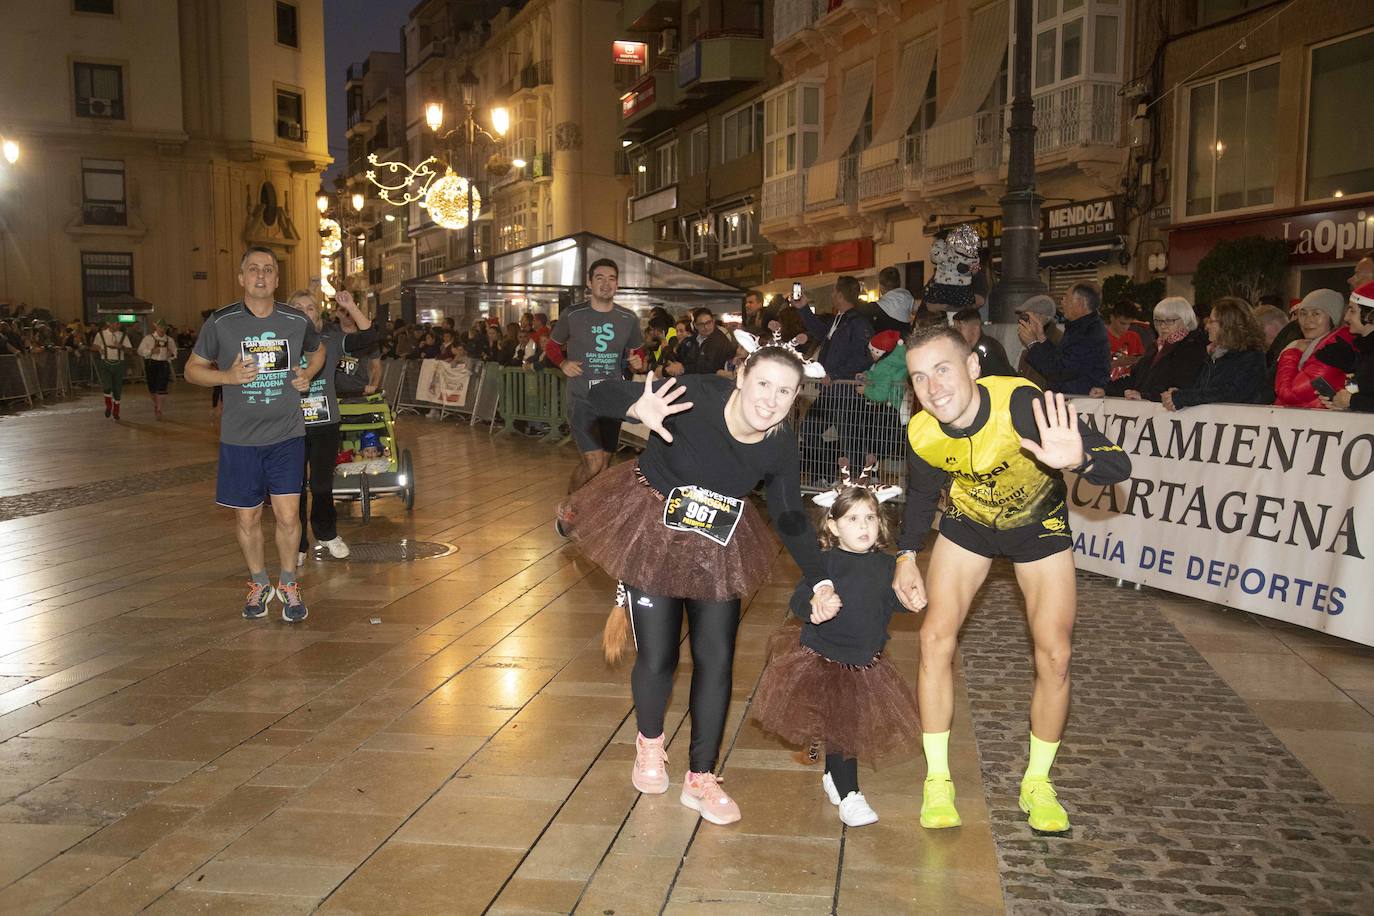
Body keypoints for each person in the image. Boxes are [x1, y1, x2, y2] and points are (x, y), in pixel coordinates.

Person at [562, 335, 834, 827]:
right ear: (742, 377)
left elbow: (790, 514)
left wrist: (819, 578)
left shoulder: (780, 443)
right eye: (764, 384)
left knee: (716, 657)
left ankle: (701, 777)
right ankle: (649, 744)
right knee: (659, 654)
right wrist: (635, 407)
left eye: (785, 392)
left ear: (798, 399)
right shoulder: (695, 394)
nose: (770, 400)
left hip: (717, 538)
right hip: (651, 522)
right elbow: (596, 397)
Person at [892, 324, 1131, 833]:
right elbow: (920, 495)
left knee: (1056, 655)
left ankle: (1038, 782)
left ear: (973, 367)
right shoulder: (923, 431)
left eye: (943, 369)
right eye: (919, 378)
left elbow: (1118, 463)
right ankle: (938, 779)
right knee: (934, 640)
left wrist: (1081, 459)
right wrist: (906, 554)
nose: (933, 388)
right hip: (968, 526)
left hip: (1037, 529)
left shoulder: (1022, 404)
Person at [751, 467, 920, 828]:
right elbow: (799, 601)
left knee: (844, 728)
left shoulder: (886, 565)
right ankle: (850, 794)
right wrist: (813, 607)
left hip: (865, 664)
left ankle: (833, 778)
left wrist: (912, 600)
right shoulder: (824, 564)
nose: (864, 526)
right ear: (833, 526)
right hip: (824, 661)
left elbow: (891, 603)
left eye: (871, 517)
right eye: (853, 518)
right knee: (843, 731)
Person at [183, 247, 324, 622]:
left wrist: (307, 375)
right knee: (246, 519)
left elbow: (319, 349)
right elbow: (192, 370)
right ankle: (260, 582)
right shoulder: (221, 322)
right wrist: (226, 377)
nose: (261, 276)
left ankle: (289, 583)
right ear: (241, 278)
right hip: (240, 439)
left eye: (268, 270)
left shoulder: (295, 320)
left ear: (277, 279)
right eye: (253, 270)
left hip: (287, 434)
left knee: (289, 515)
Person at [547, 258, 645, 535]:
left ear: (617, 283)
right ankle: (568, 509)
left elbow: (637, 354)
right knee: (593, 461)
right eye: (599, 278)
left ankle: (591, 513)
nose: (606, 283)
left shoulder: (628, 318)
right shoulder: (573, 315)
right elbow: (552, 346)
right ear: (589, 283)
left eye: (611, 278)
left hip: (612, 400)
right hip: (582, 399)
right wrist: (563, 363)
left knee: (605, 465)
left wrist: (639, 362)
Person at [292, 288, 378, 565]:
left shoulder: (330, 337)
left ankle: (327, 534)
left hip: (325, 421)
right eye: (298, 307)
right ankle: (298, 544)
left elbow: (369, 337)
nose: (305, 312)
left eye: (310, 308)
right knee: (292, 486)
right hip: (290, 422)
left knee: (320, 483)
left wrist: (351, 306)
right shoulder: (281, 340)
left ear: (318, 313)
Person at [794, 277, 875, 480]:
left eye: (833, 292)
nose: (831, 295)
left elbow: (864, 356)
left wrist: (836, 374)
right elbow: (822, 333)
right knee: (812, 429)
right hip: (832, 390)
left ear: (839, 294)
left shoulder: (856, 323)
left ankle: (856, 481)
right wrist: (804, 308)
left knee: (850, 438)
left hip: (845, 391)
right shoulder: (841, 320)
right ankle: (829, 476)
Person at [1162, 299, 1268, 410]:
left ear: (1227, 325)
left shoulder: (1252, 358)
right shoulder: (1215, 356)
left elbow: (1229, 393)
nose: (1206, 326)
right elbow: (1202, 391)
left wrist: (1184, 397)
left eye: (1211, 321)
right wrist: (1180, 394)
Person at [1103, 297, 1208, 401]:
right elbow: (1135, 379)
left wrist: (1145, 396)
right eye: (1158, 321)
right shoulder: (1156, 347)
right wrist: (1105, 389)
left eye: (1170, 321)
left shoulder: (1193, 348)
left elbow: (1181, 387)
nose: (1162, 326)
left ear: (1186, 320)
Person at [1019, 282, 1111, 395]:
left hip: (1081, 402)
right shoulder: (1080, 326)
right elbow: (1060, 358)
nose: (1062, 302)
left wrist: (1033, 343)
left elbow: (1060, 371)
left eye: (1066, 297)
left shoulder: (1090, 333)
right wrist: (1041, 337)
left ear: (1080, 303)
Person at [1274, 289, 1347, 409]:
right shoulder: (1304, 346)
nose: (1308, 320)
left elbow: (1290, 395)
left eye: (1316, 313)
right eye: (1303, 313)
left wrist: (1291, 354)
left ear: (1333, 319)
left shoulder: (1333, 353)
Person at [1316, 282, 1374, 412]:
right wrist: (1341, 403)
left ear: (1370, 315)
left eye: (1352, 311)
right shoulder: (1365, 351)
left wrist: (1351, 401)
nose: (1346, 317)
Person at [667, 308, 734, 376]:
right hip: (693, 379)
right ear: (695, 325)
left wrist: (683, 369)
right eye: (701, 324)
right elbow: (685, 357)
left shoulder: (719, 340)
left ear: (713, 321)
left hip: (711, 381)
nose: (706, 327)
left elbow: (709, 367)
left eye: (708, 322)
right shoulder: (694, 338)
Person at [1012, 295, 1061, 388]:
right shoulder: (1029, 342)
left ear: (1039, 317)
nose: (1021, 322)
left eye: (1025, 318)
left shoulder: (1056, 342)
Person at [335, 304, 382, 398]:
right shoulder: (329, 336)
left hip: (359, 391)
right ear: (336, 313)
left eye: (349, 310)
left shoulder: (367, 339)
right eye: (342, 310)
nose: (347, 314)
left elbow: (376, 366)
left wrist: (373, 386)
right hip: (333, 391)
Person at [952, 308, 1015, 378]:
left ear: (974, 329)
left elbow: (1000, 381)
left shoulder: (988, 350)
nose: (956, 334)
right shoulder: (969, 349)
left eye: (959, 329)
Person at [92, 318, 132, 419]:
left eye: (119, 324)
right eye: (116, 323)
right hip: (105, 363)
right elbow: (94, 345)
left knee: (117, 388)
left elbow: (129, 350)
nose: (118, 326)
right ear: (109, 323)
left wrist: (121, 347)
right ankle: (109, 405)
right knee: (107, 386)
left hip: (119, 364)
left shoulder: (123, 335)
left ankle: (116, 410)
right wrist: (99, 349)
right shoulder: (101, 334)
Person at [137, 320, 177, 419]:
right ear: (156, 327)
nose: (162, 330)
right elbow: (140, 351)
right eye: (161, 327)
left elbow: (175, 352)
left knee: (162, 387)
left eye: (164, 328)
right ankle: (157, 404)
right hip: (151, 364)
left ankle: (159, 409)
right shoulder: (148, 338)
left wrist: (171, 354)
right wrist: (151, 351)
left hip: (164, 364)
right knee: (152, 388)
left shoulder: (170, 340)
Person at [1104, 300, 1145, 382]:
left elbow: (1143, 364)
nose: (1125, 328)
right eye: (1122, 323)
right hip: (1104, 383)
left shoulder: (1134, 336)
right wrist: (1117, 363)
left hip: (1128, 384)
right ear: (1112, 318)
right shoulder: (1101, 336)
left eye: (1129, 324)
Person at [872, 266, 915, 336]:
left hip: (884, 345)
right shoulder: (908, 299)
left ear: (881, 286)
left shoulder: (876, 307)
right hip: (904, 343)